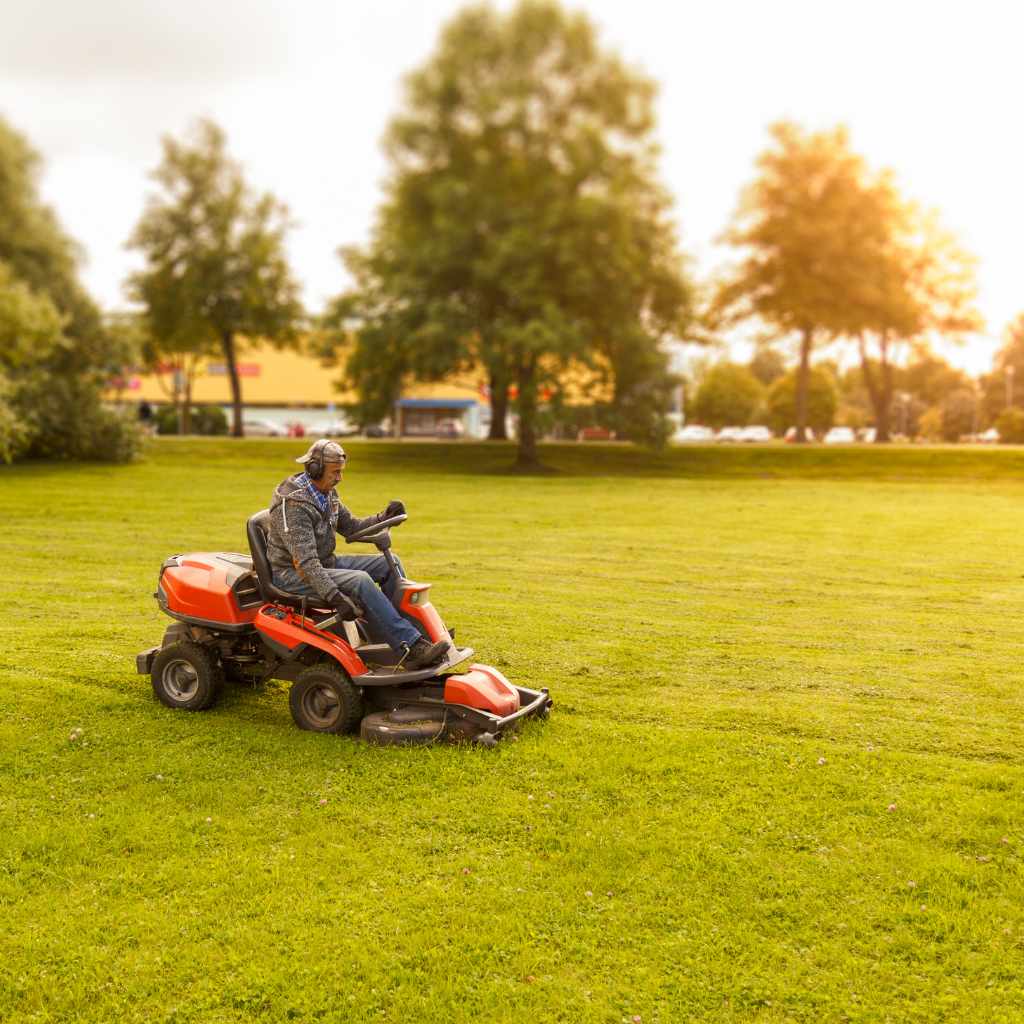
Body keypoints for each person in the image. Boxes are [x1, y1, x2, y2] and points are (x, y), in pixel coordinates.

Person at [266, 439, 449, 670]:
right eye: (336, 472)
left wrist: (383, 517)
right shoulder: (294, 505)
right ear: (315, 469)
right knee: (360, 581)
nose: (340, 478)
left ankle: (415, 637)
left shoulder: (326, 493)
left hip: (324, 563)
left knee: (389, 563)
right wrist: (335, 598)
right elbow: (306, 564)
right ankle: (410, 649)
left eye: (341, 472)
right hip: (293, 574)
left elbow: (351, 527)